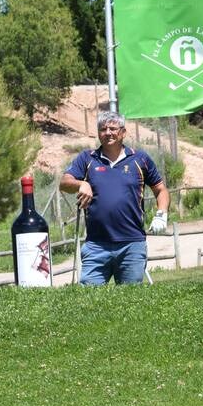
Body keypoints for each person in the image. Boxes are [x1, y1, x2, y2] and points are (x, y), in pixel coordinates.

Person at [61, 110, 170, 285]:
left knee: (131, 302)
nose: (108, 133)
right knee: (88, 302)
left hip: (132, 245)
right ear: (98, 133)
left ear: (123, 132)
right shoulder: (87, 159)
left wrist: (161, 214)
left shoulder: (140, 159)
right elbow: (65, 182)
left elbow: (161, 190)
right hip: (96, 246)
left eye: (113, 128)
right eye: (103, 129)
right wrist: (81, 184)